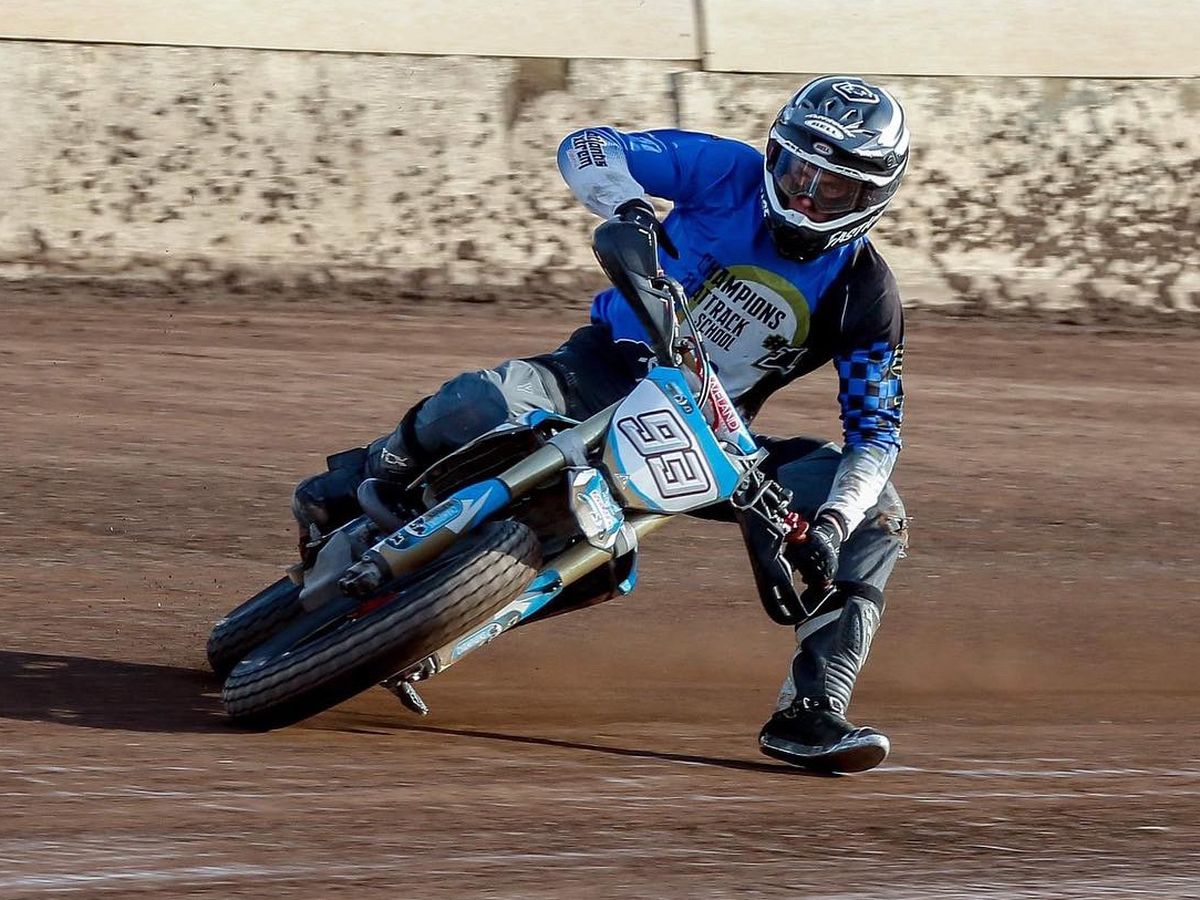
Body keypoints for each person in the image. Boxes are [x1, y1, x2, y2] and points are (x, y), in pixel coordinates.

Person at [293, 75, 910, 774]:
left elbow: (876, 434)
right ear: (776, 155)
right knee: (480, 401)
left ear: (872, 197)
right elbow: (589, 146)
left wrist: (833, 524)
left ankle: (813, 709)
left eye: (834, 188)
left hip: (713, 438)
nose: (806, 196)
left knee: (879, 516)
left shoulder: (867, 295)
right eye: (800, 172)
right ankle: (366, 475)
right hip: (600, 368)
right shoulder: (725, 170)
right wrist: (628, 207)